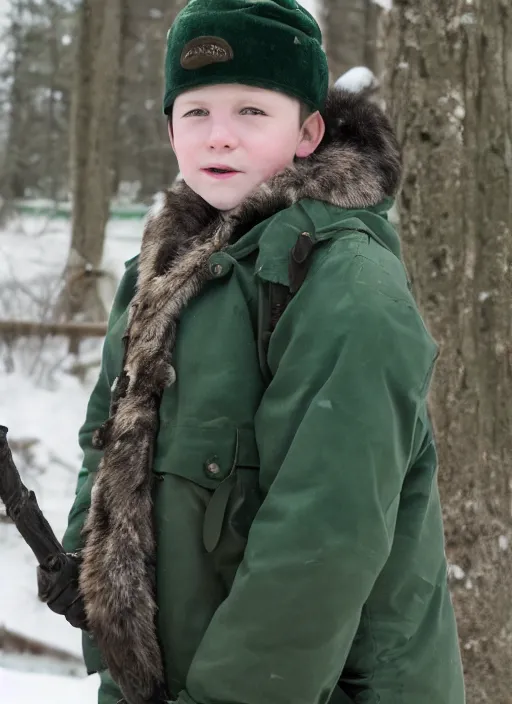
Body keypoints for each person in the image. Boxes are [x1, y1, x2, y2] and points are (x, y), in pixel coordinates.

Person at [42, 1, 466, 702]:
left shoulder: (346, 285)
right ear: (169, 127)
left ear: (308, 132)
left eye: (251, 112)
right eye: (197, 112)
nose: (221, 137)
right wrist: (92, 569)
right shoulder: (160, 269)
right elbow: (111, 441)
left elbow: (321, 539)